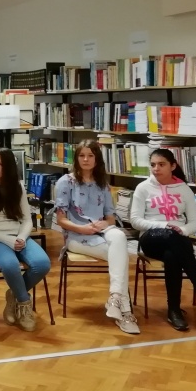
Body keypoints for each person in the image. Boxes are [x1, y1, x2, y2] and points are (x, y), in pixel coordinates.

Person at [130, 148, 196, 331]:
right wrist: (164, 225)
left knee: (172, 255)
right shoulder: (143, 188)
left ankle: (174, 311)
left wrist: (183, 229)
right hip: (151, 238)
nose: (156, 169)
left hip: (177, 240)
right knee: (174, 238)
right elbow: (135, 221)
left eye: (161, 164)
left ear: (173, 166)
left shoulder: (184, 189)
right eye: (153, 165)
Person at [54, 140, 139, 334]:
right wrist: (82, 228)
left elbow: (111, 218)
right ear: (76, 158)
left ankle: (115, 298)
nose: (86, 159)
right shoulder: (66, 182)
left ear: (97, 159)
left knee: (119, 236)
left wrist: (105, 224)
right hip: (77, 235)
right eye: (81, 155)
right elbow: (61, 220)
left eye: (90, 155)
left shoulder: (103, 184)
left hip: (101, 231)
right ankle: (125, 312)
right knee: (121, 256)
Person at [0, 148, 51, 332]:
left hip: (18, 237)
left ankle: (14, 294)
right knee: (10, 265)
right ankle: (24, 304)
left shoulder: (18, 187)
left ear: (8, 166)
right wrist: (9, 241)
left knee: (42, 263)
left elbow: (27, 220)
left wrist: (22, 237)